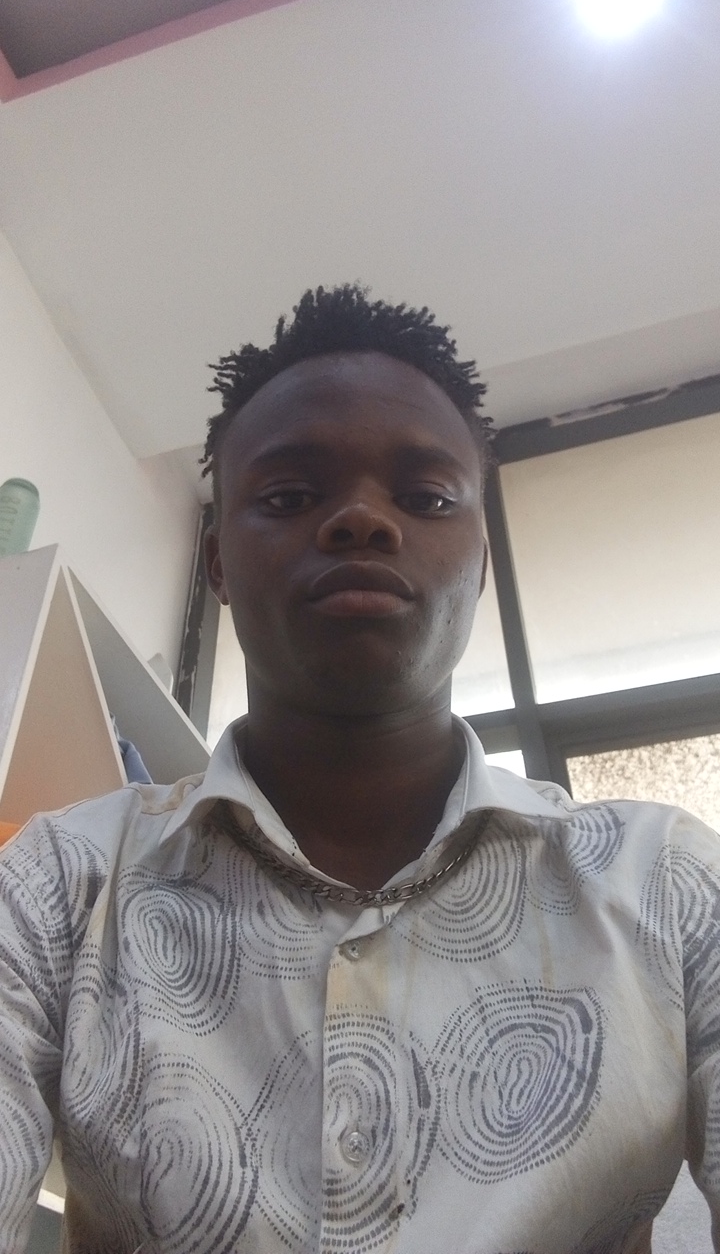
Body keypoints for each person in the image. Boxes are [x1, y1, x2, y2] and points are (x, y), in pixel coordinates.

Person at [1, 284, 719, 1254]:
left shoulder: (668, 885)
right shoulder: (58, 886)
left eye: (425, 498)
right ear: (217, 564)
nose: (361, 521)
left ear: (481, 561)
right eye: (290, 497)